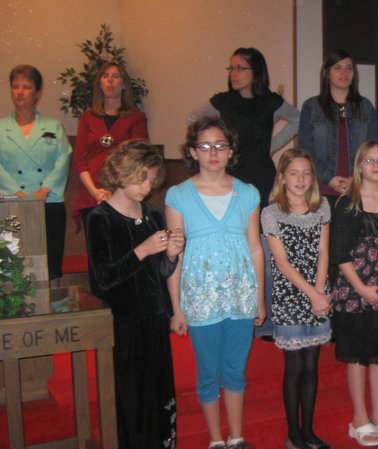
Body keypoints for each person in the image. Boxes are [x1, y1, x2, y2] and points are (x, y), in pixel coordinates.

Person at [165, 117, 266, 449]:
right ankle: (216, 440)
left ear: (230, 151)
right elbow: (174, 255)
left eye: (220, 145)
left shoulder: (248, 193)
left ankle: (237, 438)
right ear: (193, 151)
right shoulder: (178, 195)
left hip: (241, 296)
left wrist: (260, 299)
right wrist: (176, 308)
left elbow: (255, 247)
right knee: (208, 371)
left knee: (236, 370)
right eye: (205, 146)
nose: (213, 152)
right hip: (200, 299)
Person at [187, 47, 299, 341]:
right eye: (231, 69)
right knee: (233, 245)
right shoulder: (222, 103)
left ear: (255, 72)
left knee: (260, 246)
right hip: (229, 179)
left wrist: (271, 145)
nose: (233, 74)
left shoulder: (270, 102)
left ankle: (265, 321)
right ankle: (230, 311)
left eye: (240, 69)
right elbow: (193, 120)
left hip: (260, 178)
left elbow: (296, 119)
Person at [86, 139, 183, 449]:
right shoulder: (100, 218)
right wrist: (140, 251)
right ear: (121, 171)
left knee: (158, 393)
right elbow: (102, 280)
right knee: (131, 396)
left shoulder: (153, 215)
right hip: (123, 324)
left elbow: (161, 273)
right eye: (141, 178)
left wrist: (170, 255)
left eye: (151, 180)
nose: (147, 186)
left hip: (154, 318)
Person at [330, 140, 378, 446]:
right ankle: (359, 418)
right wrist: (362, 289)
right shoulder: (347, 203)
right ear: (359, 166)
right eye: (369, 160)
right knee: (358, 357)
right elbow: (339, 253)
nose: (376, 166)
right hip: (355, 289)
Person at [262, 148, 332, 449]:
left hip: (318, 293)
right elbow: (282, 263)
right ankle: (293, 434)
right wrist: (312, 294)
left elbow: (323, 253)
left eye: (306, 173)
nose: (301, 179)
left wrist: (320, 293)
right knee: (295, 368)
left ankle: (309, 430)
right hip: (290, 295)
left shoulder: (322, 206)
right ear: (282, 178)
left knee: (312, 367)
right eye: (294, 173)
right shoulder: (271, 212)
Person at [0, 65, 72, 287]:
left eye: (26, 87)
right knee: (13, 264)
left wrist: (44, 190)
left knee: (50, 265)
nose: (20, 92)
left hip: (48, 202)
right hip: (11, 203)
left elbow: (64, 157)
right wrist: (16, 193)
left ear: (37, 93)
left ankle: (52, 312)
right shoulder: (1, 128)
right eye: (16, 87)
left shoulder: (53, 126)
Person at [298, 48, 378, 204]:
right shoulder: (311, 107)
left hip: (358, 189)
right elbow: (305, 150)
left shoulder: (365, 107)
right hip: (321, 191)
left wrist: (356, 178)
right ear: (327, 73)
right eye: (338, 68)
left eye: (349, 68)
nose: (344, 73)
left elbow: (373, 150)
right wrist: (329, 179)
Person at [74, 62, 148, 228]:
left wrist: (117, 192)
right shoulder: (87, 117)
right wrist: (95, 191)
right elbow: (80, 160)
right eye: (105, 76)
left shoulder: (135, 117)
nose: (110, 81)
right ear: (99, 84)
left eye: (116, 76)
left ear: (124, 85)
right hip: (90, 193)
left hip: (123, 193)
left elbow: (139, 158)